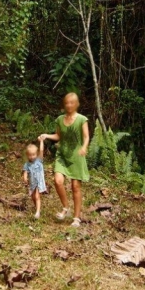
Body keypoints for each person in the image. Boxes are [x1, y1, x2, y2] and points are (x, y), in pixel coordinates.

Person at [38, 93, 90, 228]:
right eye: (67, 102)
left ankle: (77, 218)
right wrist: (46, 135)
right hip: (62, 154)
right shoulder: (60, 119)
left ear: (77, 104)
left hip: (77, 156)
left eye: (72, 102)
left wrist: (84, 147)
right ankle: (66, 208)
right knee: (57, 181)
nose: (69, 105)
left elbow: (86, 136)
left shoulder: (82, 119)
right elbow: (58, 135)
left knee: (75, 187)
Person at [22, 141, 47, 219]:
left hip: (39, 182)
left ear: (36, 154)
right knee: (33, 197)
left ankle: (38, 212)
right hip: (32, 183)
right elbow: (25, 172)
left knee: (37, 196)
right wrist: (25, 178)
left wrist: (41, 141)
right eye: (30, 155)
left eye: (33, 155)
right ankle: (37, 208)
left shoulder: (39, 161)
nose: (32, 157)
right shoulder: (27, 164)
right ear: (27, 155)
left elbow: (42, 150)